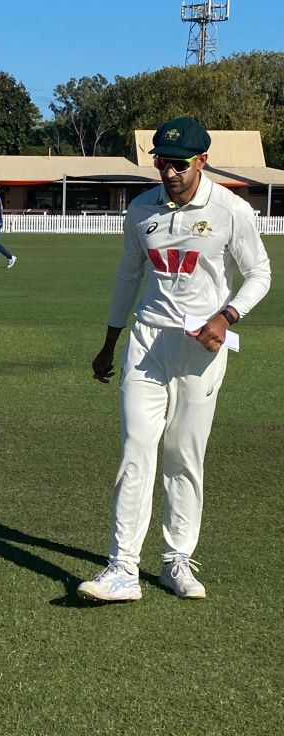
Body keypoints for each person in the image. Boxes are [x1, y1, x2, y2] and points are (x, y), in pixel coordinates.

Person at [76, 117, 271, 603]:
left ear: (201, 160)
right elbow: (127, 277)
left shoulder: (230, 209)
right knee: (136, 449)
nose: (168, 172)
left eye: (179, 163)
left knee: (184, 453)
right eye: (161, 161)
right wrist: (109, 343)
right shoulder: (142, 210)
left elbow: (260, 274)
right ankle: (122, 568)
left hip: (201, 348)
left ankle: (175, 559)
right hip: (147, 341)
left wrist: (227, 315)